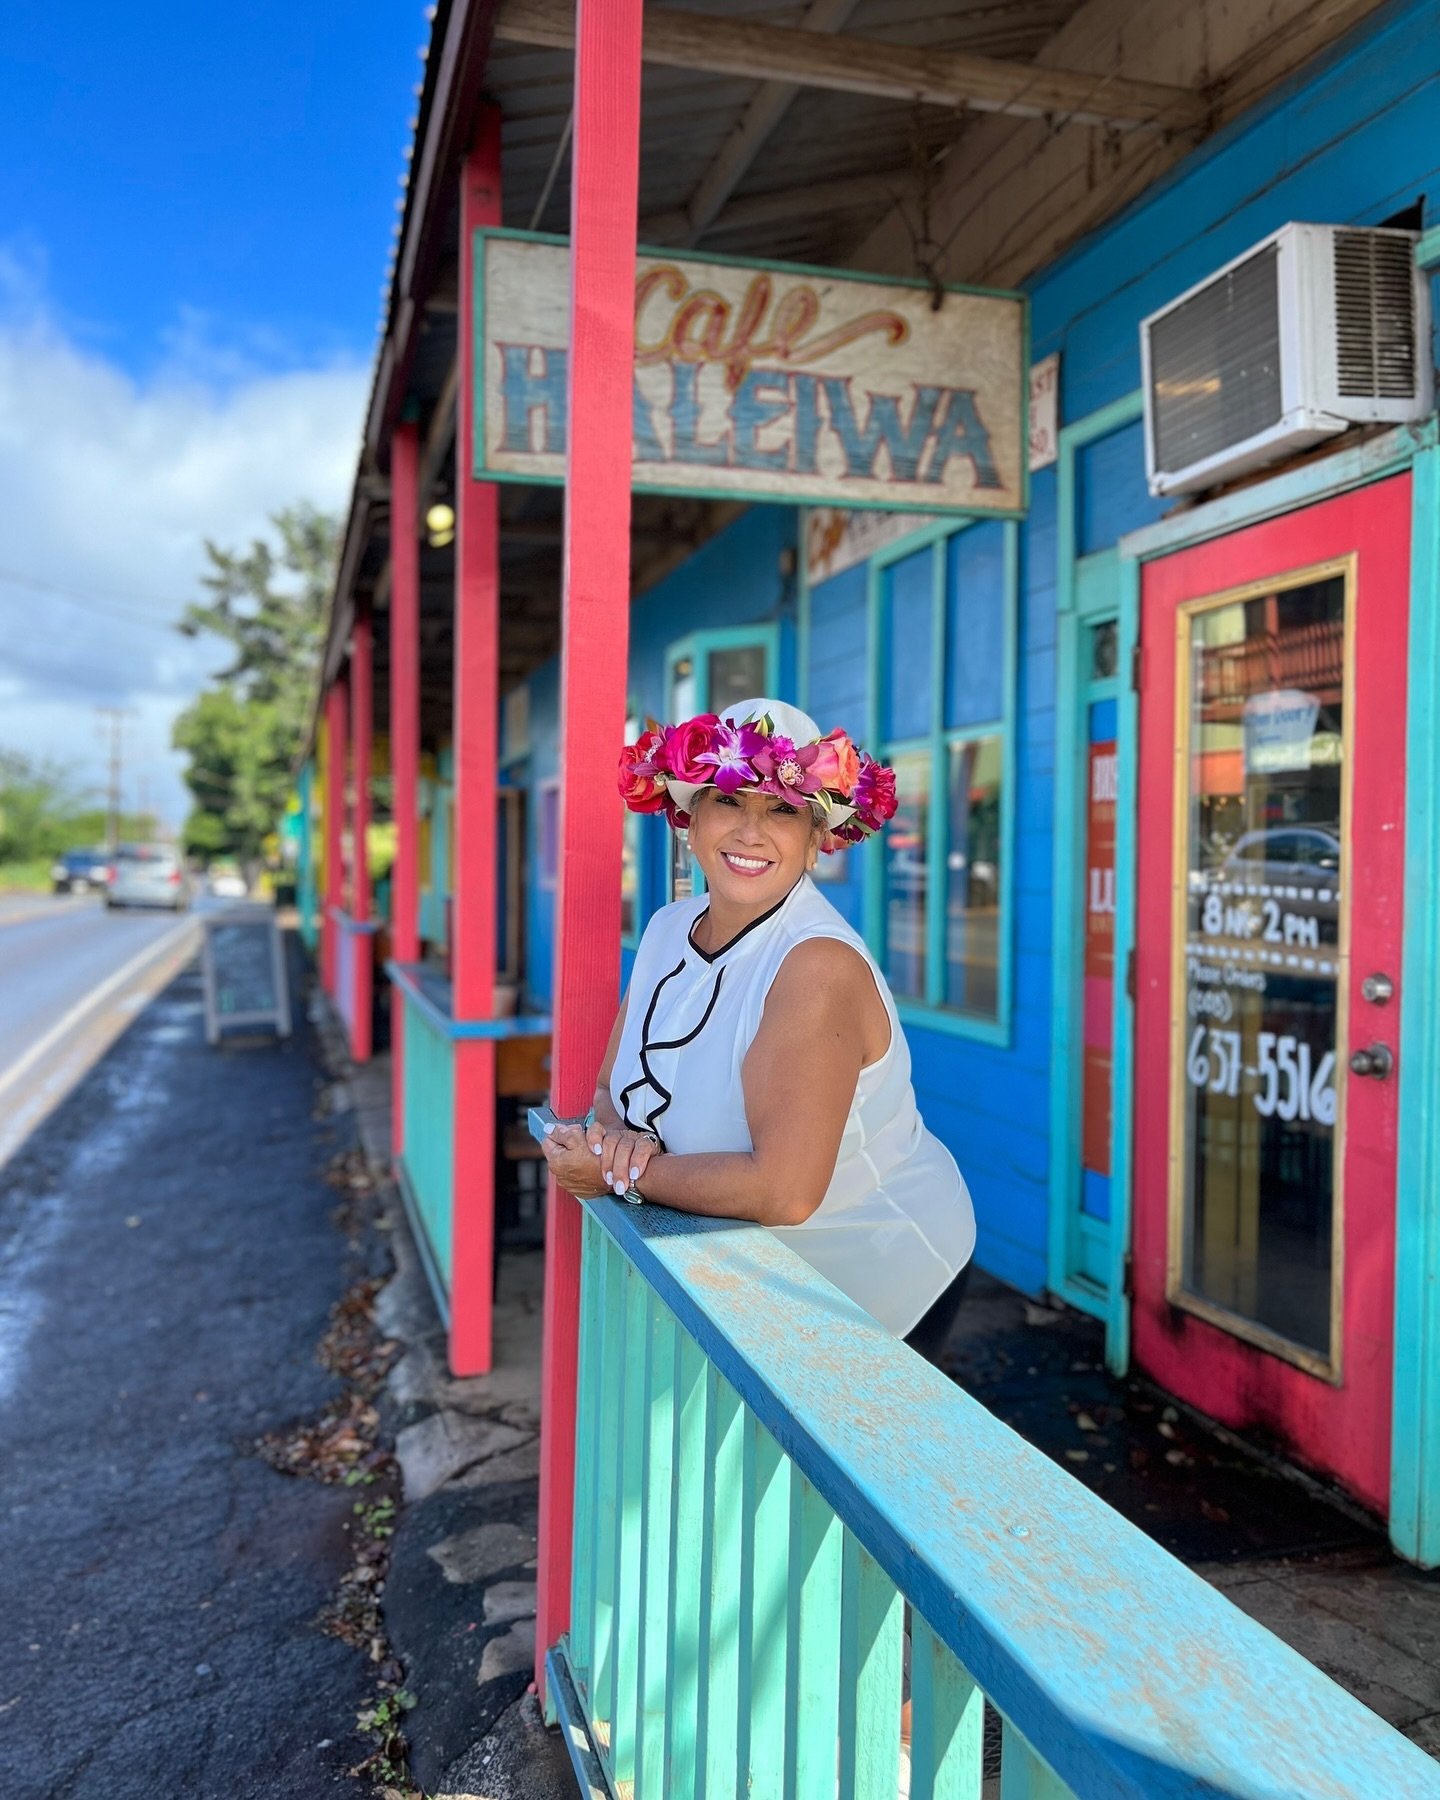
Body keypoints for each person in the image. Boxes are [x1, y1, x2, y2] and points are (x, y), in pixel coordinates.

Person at [539, 696, 976, 1355]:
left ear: (815, 841)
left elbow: (783, 1189)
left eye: (781, 809)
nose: (751, 831)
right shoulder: (664, 930)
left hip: (874, 1273)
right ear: (690, 819)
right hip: (750, 1271)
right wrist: (623, 1142)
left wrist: (621, 1173)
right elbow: (612, 1092)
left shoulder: (816, 966)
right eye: (729, 800)